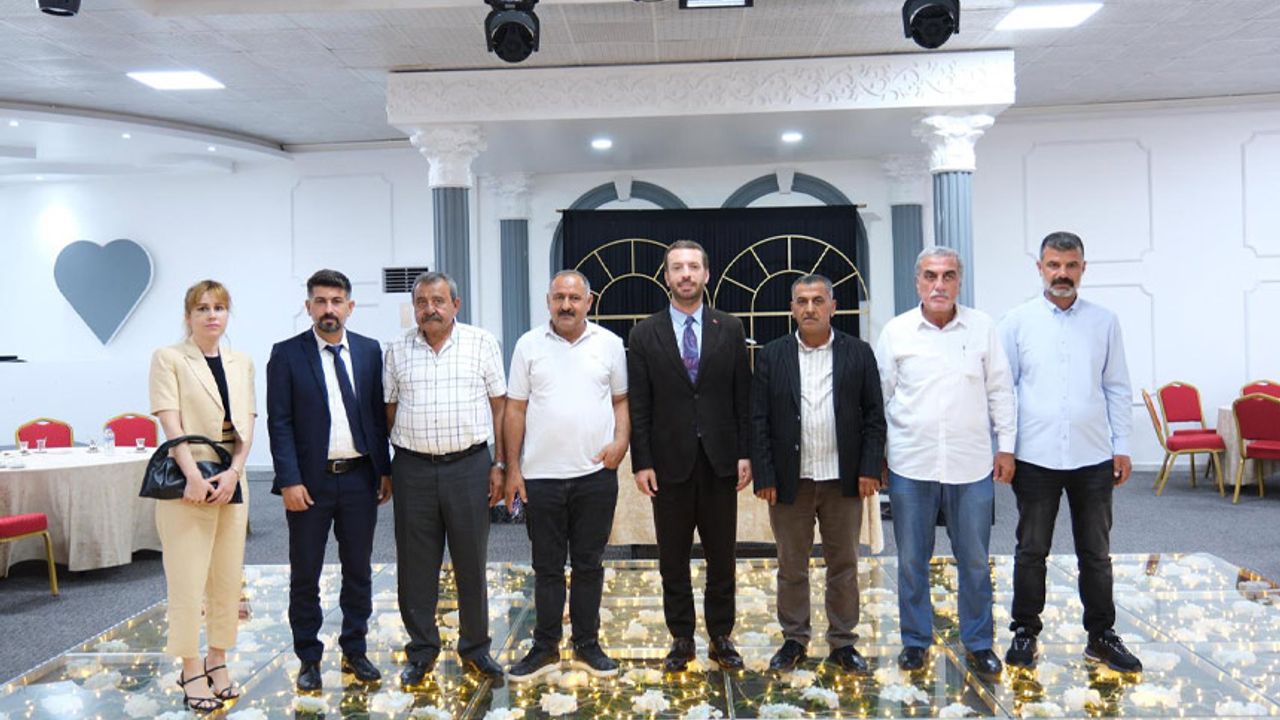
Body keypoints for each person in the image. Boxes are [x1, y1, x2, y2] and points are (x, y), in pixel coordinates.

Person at [998, 232, 1142, 673]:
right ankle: (1025, 631)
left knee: (1095, 553)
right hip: (1035, 456)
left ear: (1083, 268)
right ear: (1039, 268)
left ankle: (1101, 636)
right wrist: (1004, 448)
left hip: (1093, 456)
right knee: (1031, 549)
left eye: (1071, 265)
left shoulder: (1104, 322)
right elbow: (1002, 391)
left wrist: (1122, 446)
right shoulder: (1016, 322)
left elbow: (1117, 386)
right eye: (1054, 265)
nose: (1062, 274)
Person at [874, 246, 1015, 678]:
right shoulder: (897, 332)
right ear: (917, 281)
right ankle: (915, 642)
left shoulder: (983, 328)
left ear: (959, 281)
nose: (939, 284)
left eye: (948, 276)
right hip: (910, 465)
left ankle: (979, 642)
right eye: (931, 276)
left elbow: (1001, 391)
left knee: (973, 560)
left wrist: (1006, 447)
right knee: (911, 560)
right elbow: (880, 399)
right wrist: (878, 456)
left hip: (970, 466)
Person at [750, 274, 886, 673]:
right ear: (792, 308)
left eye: (818, 300)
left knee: (843, 565)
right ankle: (794, 639)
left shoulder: (858, 353)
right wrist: (765, 476)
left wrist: (869, 468)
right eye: (802, 301)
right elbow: (758, 419)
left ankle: (843, 641)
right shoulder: (772, 355)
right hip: (789, 481)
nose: (810, 308)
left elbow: (874, 417)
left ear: (833, 306)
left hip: (843, 479)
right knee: (792, 565)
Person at [627, 239, 752, 673]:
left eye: (693, 267)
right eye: (677, 267)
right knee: (673, 559)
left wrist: (745, 453)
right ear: (666, 277)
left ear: (706, 274)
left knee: (722, 557)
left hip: (720, 461)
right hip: (668, 465)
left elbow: (742, 396)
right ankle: (681, 637)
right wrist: (642, 461)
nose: (685, 274)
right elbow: (640, 405)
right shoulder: (644, 334)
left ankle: (721, 636)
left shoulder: (729, 328)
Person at [267, 269, 392, 691]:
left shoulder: (370, 351)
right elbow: (279, 423)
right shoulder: (286, 355)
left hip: (359, 479)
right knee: (306, 573)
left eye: (336, 301)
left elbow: (376, 416)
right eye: (320, 301)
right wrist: (289, 480)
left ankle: (355, 649)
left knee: (359, 570)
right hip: (309, 484)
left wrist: (384, 470)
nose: (329, 309)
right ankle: (308, 656)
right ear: (308, 307)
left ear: (350, 307)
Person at [503, 270, 629, 682]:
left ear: (588, 302)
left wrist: (621, 441)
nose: (566, 305)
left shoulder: (610, 344)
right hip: (541, 477)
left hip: (595, 474)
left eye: (574, 298)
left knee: (590, 564)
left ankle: (587, 643)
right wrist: (513, 468)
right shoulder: (528, 345)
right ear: (548, 302)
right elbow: (515, 409)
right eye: (559, 297)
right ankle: (544, 647)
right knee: (547, 567)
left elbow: (621, 401)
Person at [383, 271, 507, 685]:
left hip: (469, 467)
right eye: (421, 302)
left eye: (438, 301)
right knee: (415, 565)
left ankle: (476, 648)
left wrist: (500, 464)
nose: (430, 309)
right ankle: (422, 650)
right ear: (414, 308)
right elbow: (389, 409)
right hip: (413, 469)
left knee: (471, 561)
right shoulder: (397, 349)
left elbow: (500, 406)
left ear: (456, 304)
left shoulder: (481, 343)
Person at [148, 279, 255, 713]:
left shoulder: (241, 361)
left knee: (227, 579)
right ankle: (191, 668)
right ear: (188, 316)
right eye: (203, 308)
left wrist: (235, 473)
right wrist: (192, 475)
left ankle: (218, 660)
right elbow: (170, 422)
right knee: (188, 580)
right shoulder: (169, 358)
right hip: (187, 476)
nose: (212, 315)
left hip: (231, 477)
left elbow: (248, 424)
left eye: (219, 308)